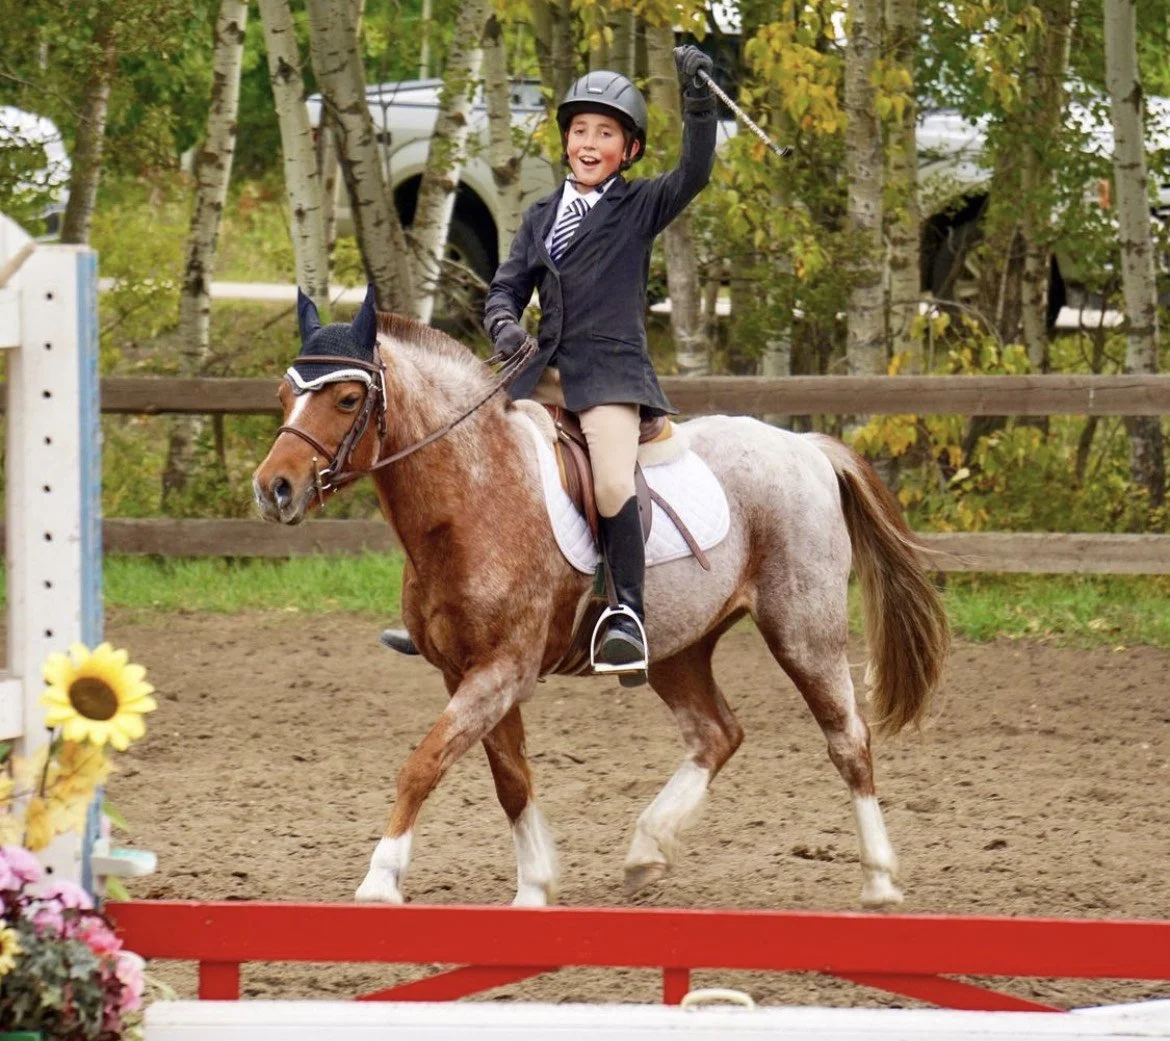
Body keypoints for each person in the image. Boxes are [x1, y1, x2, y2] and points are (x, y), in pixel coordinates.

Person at [381, 46, 717, 685]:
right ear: (567, 140)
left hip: (611, 377)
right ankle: (442, 606)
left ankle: (627, 615)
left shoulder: (640, 206)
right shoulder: (541, 214)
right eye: (580, 130)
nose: (589, 142)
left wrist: (697, 98)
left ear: (630, 151)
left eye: (606, 133)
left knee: (614, 483)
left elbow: (695, 172)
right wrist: (505, 323)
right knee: (459, 460)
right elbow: (506, 286)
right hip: (541, 370)